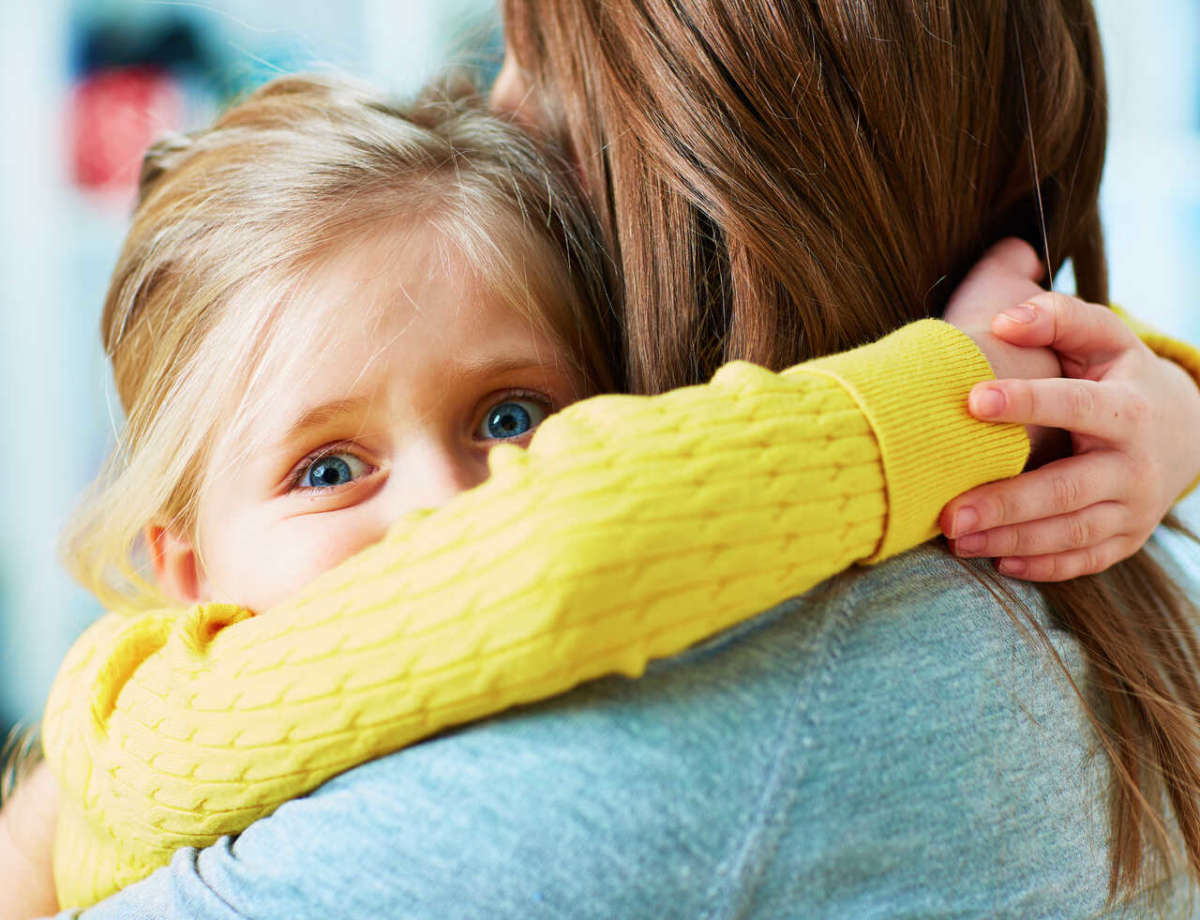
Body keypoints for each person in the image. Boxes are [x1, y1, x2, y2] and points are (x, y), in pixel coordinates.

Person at [6, 1, 1200, 917]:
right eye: (328, 467)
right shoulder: (1052, 549)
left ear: (718, 191)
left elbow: (578, 539)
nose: (499, 108)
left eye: (543, 66)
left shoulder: (738, 699)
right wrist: (1009, 391)